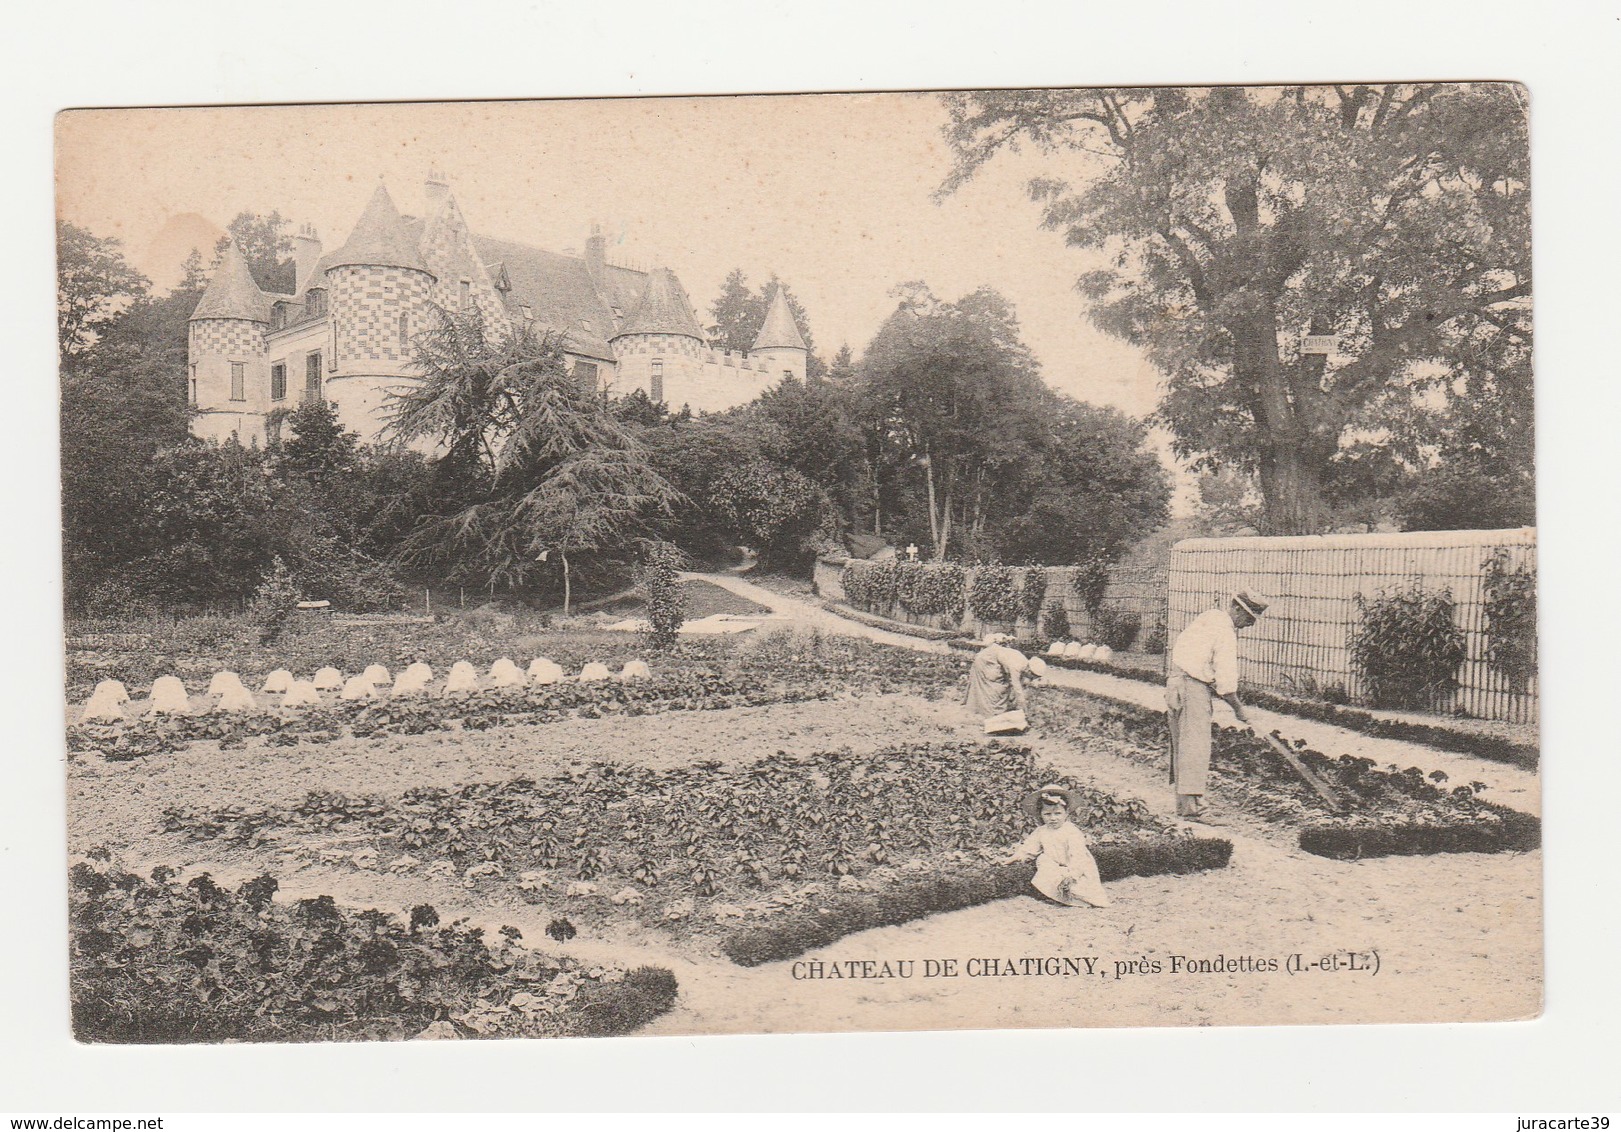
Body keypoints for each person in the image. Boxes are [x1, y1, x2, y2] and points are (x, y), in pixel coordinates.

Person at [1165, 590, 1269, 819]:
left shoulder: (1210, 616)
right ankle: (1194, 810)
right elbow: (1226, 683)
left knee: (1182, 746)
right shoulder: (1225, 632)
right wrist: (1239, 708)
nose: (1249, 625)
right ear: (1238, 608)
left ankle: (1184, 807)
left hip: (1175, 682)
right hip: (1192, 688)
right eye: (1249, 618)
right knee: (1195, 748)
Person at [1007, 784, 1110, 908]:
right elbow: (1029, 848)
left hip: (1076, 868)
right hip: (1057, 867)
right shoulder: (1041, 831)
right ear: (1041, 814)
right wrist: (1013, 858)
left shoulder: (1071, 832)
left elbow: (1078, 857)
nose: (1053, 818)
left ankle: (1075, 894)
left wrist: (1072, 875)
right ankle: (1058, 893)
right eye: (1048, 814)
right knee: (1042, 859)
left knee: (1082, 889)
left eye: (1058, 813)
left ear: (1066, 813)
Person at [965, 633, 1045, 730]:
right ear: (1030, 671)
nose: (1031, 679)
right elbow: (1017, 687)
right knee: (996, 687)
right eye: (1032, 676)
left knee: (1004, 686)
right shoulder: (1018, 665)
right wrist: (1023, 707)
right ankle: (989, 714)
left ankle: (994, 711)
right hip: (986, 659)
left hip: (994, 660)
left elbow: (1019, 684)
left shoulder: (1023, 662)